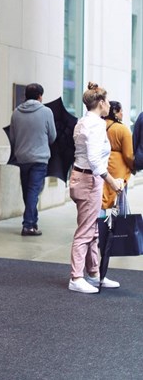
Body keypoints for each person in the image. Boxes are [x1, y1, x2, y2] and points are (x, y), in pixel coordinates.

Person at [68, 82, 124, 294]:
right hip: (89, 180)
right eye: (107, 101)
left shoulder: (83, 122)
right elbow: (93, 159)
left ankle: (93, 273)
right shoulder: (96, 124)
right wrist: (112, 181)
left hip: (83, 178)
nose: (109, 104)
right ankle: (76, 277)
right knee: (85, 231)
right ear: (101, 103)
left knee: (91, 229)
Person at [9, 83, 56, 236]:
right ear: (40, 96)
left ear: (25, 96)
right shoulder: (46, 111)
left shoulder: (16, 113)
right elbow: (52, 136)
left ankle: (32, 221)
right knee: (33, 191)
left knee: (27, 191)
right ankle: (28, 225)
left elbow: (12, 137)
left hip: (22, 158)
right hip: (39, 158)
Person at [101, 101, 134, 211]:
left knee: (102, 200)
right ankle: (121, 227)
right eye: (121, 111)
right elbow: (129, 155)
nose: (122, 113)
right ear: (115, 112)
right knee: (120, 201)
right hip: (119, 170)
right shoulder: (122, 129)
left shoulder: (100, 125)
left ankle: (100, 227)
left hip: (103, 166)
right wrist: (133, 167)